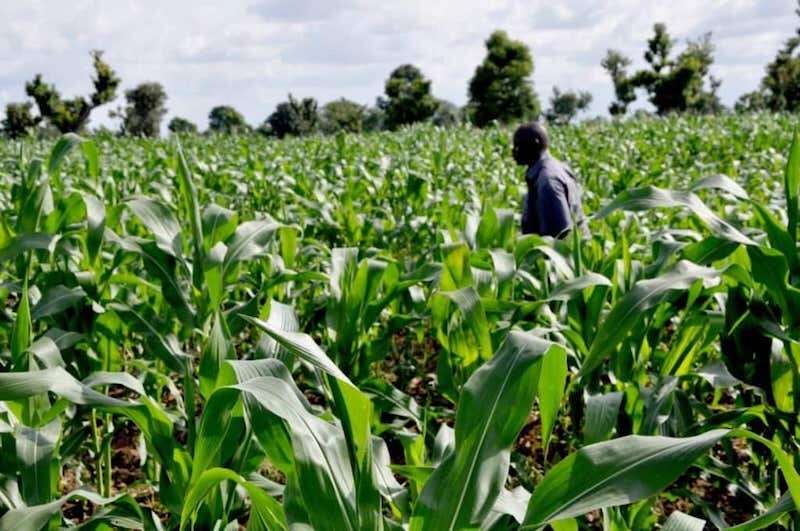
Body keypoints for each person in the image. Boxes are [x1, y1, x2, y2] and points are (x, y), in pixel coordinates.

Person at [513, 122, 586, 238]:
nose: (514, 151)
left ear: (534, 144)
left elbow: (558, 237)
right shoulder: (557, 167)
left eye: (518, 145)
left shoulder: (547, 181)